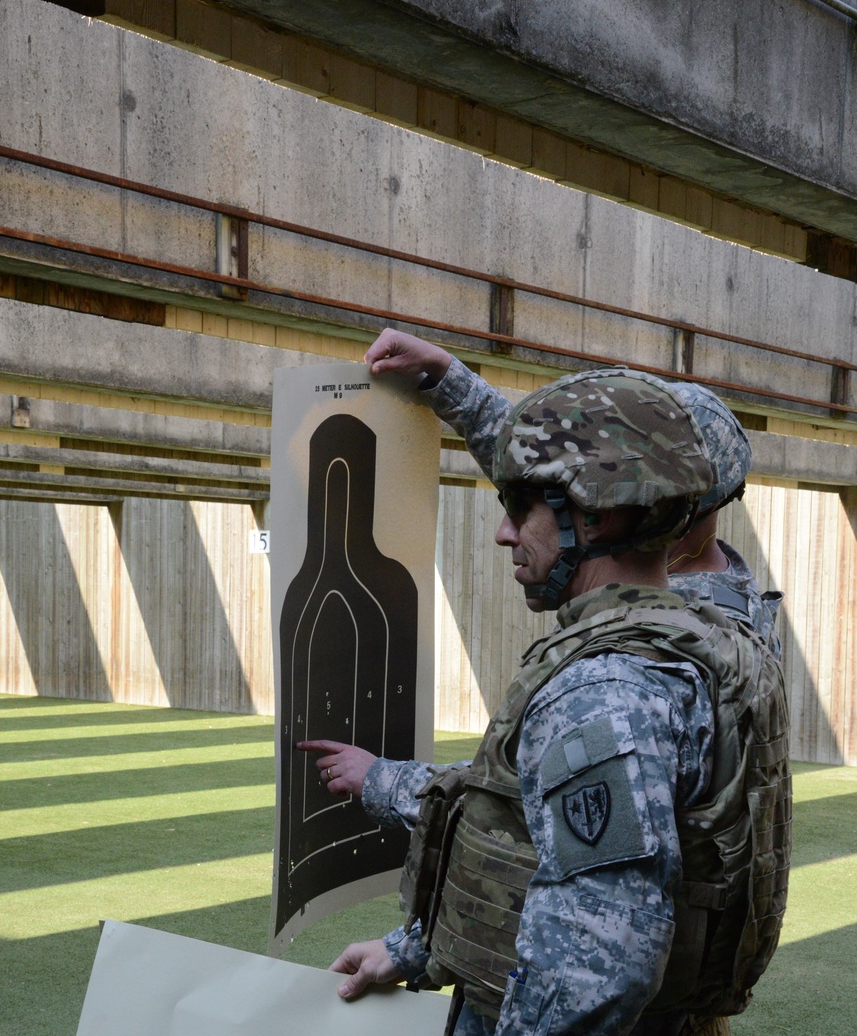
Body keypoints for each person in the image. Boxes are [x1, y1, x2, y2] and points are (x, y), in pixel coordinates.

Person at [323, 370, 791, 1036]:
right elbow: (538, 853)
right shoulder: (717, 623)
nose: (504, 530)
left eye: (527, 505)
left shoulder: (602, 690)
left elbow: (598, 961)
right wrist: (415, 947)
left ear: (609, 517)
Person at [299, 328, 782, 830]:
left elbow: (536, 803)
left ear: (622, 502)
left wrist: (383, 780)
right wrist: (444, 375)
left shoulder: (645, 662)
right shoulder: (705, 613)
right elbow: (552, 489)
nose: (507, 532)